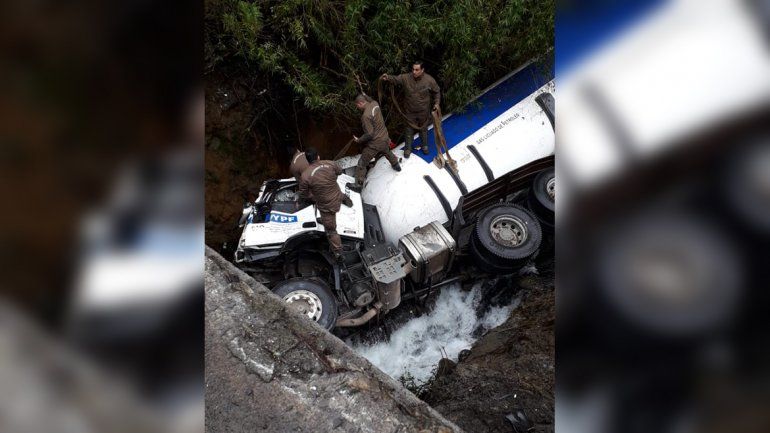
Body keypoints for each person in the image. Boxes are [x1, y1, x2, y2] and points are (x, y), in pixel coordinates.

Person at [298, 148, 353, 259]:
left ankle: (338, 253)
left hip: (327, 206)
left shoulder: (305, 176)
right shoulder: (330, 163)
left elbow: (303, 194)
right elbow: (340, 171)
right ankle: (348, 201)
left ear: (308, 161)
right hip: (337, 194)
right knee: (339, 194)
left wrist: (314, 196)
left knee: (331, 231)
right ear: (318, 156)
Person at [381, 61, 441, 157]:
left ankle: (424, 145)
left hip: (423, 111)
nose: (414, 72)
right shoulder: (406, 78)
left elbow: (437, 92)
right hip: (409, 111)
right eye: (413, 69)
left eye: (417, 70)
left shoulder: (429, 80)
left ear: (422, 70)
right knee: (408, 130)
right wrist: (388, 78)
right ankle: (408, 148)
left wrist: (437, 103)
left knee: (423, 129)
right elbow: (396, 79)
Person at [351, 94, 401, 191]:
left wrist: (359, 140)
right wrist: (365, 95)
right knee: (387, 151)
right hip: (385, 137)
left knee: (362, 163)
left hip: (375, 144)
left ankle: (358, 185)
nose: (357, 107)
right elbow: (370, 98)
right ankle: (396, 165)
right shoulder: (375, 103)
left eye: (357, 105)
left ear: (361, 103)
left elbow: (369, 134)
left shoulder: (365, 116)